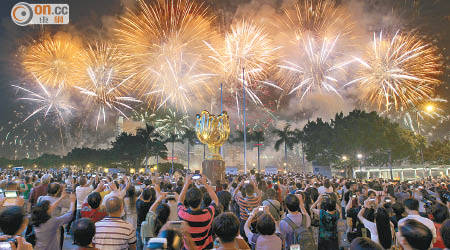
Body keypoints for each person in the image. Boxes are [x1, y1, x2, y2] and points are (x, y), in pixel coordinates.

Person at [178, 174, 219, 250]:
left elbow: (180, 200)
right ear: (201, 200)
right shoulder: (207, 214)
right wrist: (205, 183)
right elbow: (215, 200)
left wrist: (187, 183)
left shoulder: (182, 213)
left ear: (187, 200)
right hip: (205, 247)